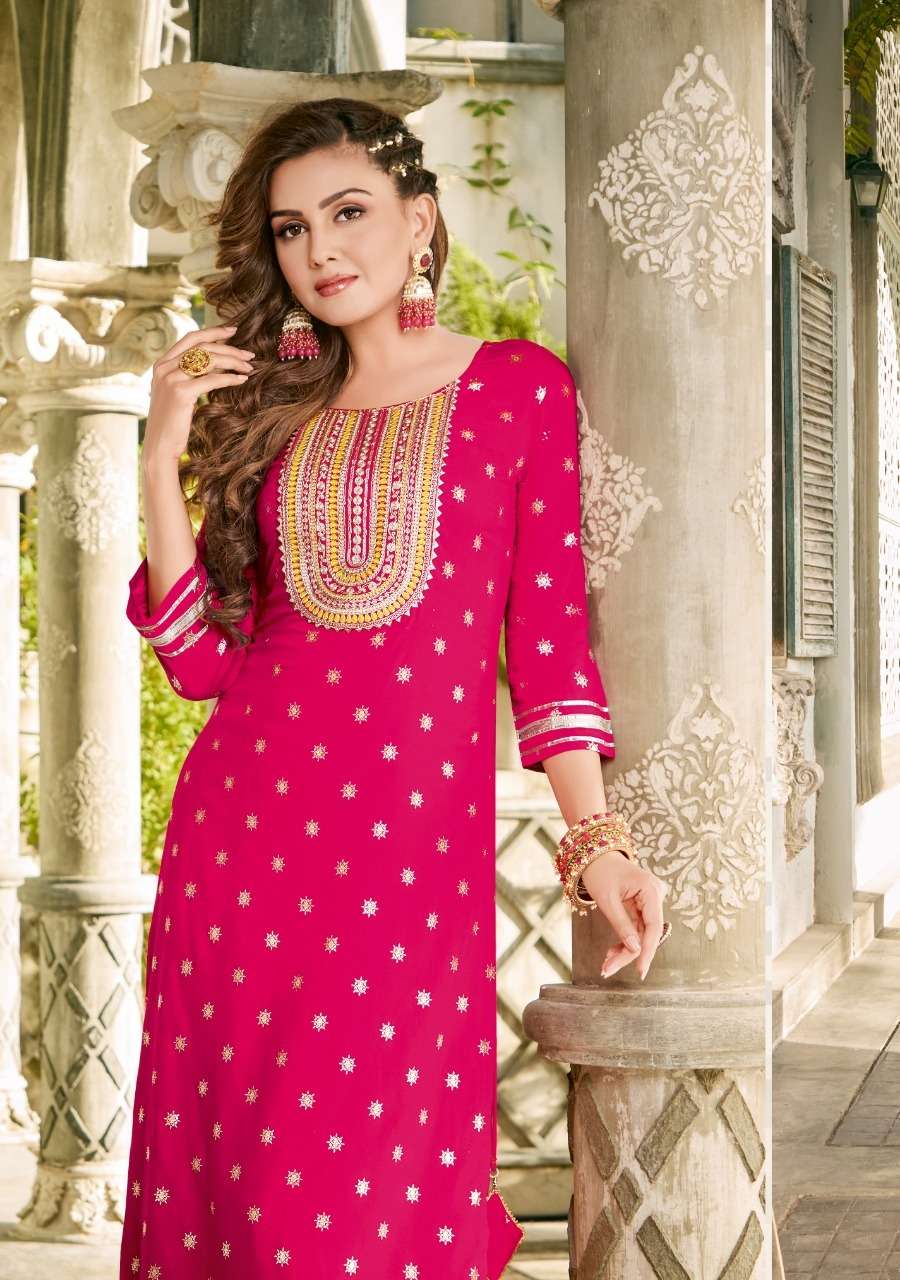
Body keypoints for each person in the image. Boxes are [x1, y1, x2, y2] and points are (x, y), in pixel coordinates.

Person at [119, 96, 669, 1280]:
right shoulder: (271, 414)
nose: (320, 249)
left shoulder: (518, 389)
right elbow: (198, 659)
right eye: (291, 229)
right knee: (247, 1201)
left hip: (407, 870)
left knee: (357, 1203)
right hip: (241, 853)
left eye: (349, 213)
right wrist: (162, 450)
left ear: (419, 221)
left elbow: (550, 645)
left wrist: (598, 841)